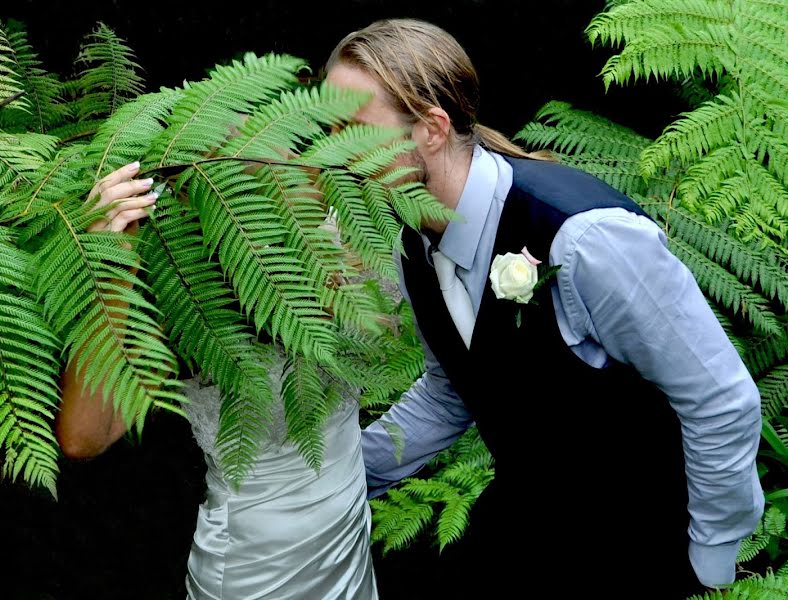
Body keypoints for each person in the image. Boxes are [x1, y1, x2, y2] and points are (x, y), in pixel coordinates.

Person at [324, 18, 764, 598]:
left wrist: (708, 562)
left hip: (646, 541)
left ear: (431, 129)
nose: (331, 152)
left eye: (351, 130)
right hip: (536, 524)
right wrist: (335, 482)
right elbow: (449, 390)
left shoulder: (587, 240)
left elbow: (720, 399)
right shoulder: (411, 238)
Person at [55, 163, 378, 599]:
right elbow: (83, 436)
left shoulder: (347, 243)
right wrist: (108, 268)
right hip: (253, 566)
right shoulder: (188, 310)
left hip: (346, 543)